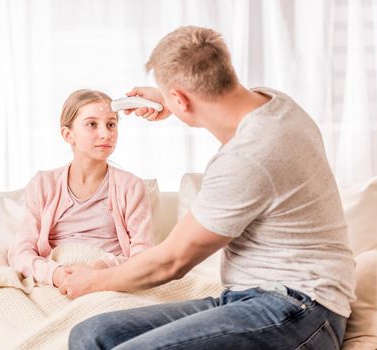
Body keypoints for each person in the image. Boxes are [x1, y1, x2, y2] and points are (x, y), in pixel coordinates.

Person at [62, 26, 356, 349]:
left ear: (182, 98)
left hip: (302, 311)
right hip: (246, 299)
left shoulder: (248, 156)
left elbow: (171, 262)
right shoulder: (274, 103)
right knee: (88, 335)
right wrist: (171, 101)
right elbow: (220, 109)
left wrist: (93, 281)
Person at [7, 89, 154, 288]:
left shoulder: (131, 187)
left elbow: (144, 255)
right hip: (56, 280)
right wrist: (56, 275)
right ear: (68, 135)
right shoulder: (43, 184)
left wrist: (101, 268)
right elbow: (20, 252)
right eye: (92, 124)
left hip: (108, 280)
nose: (106, 133)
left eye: (111, 124)